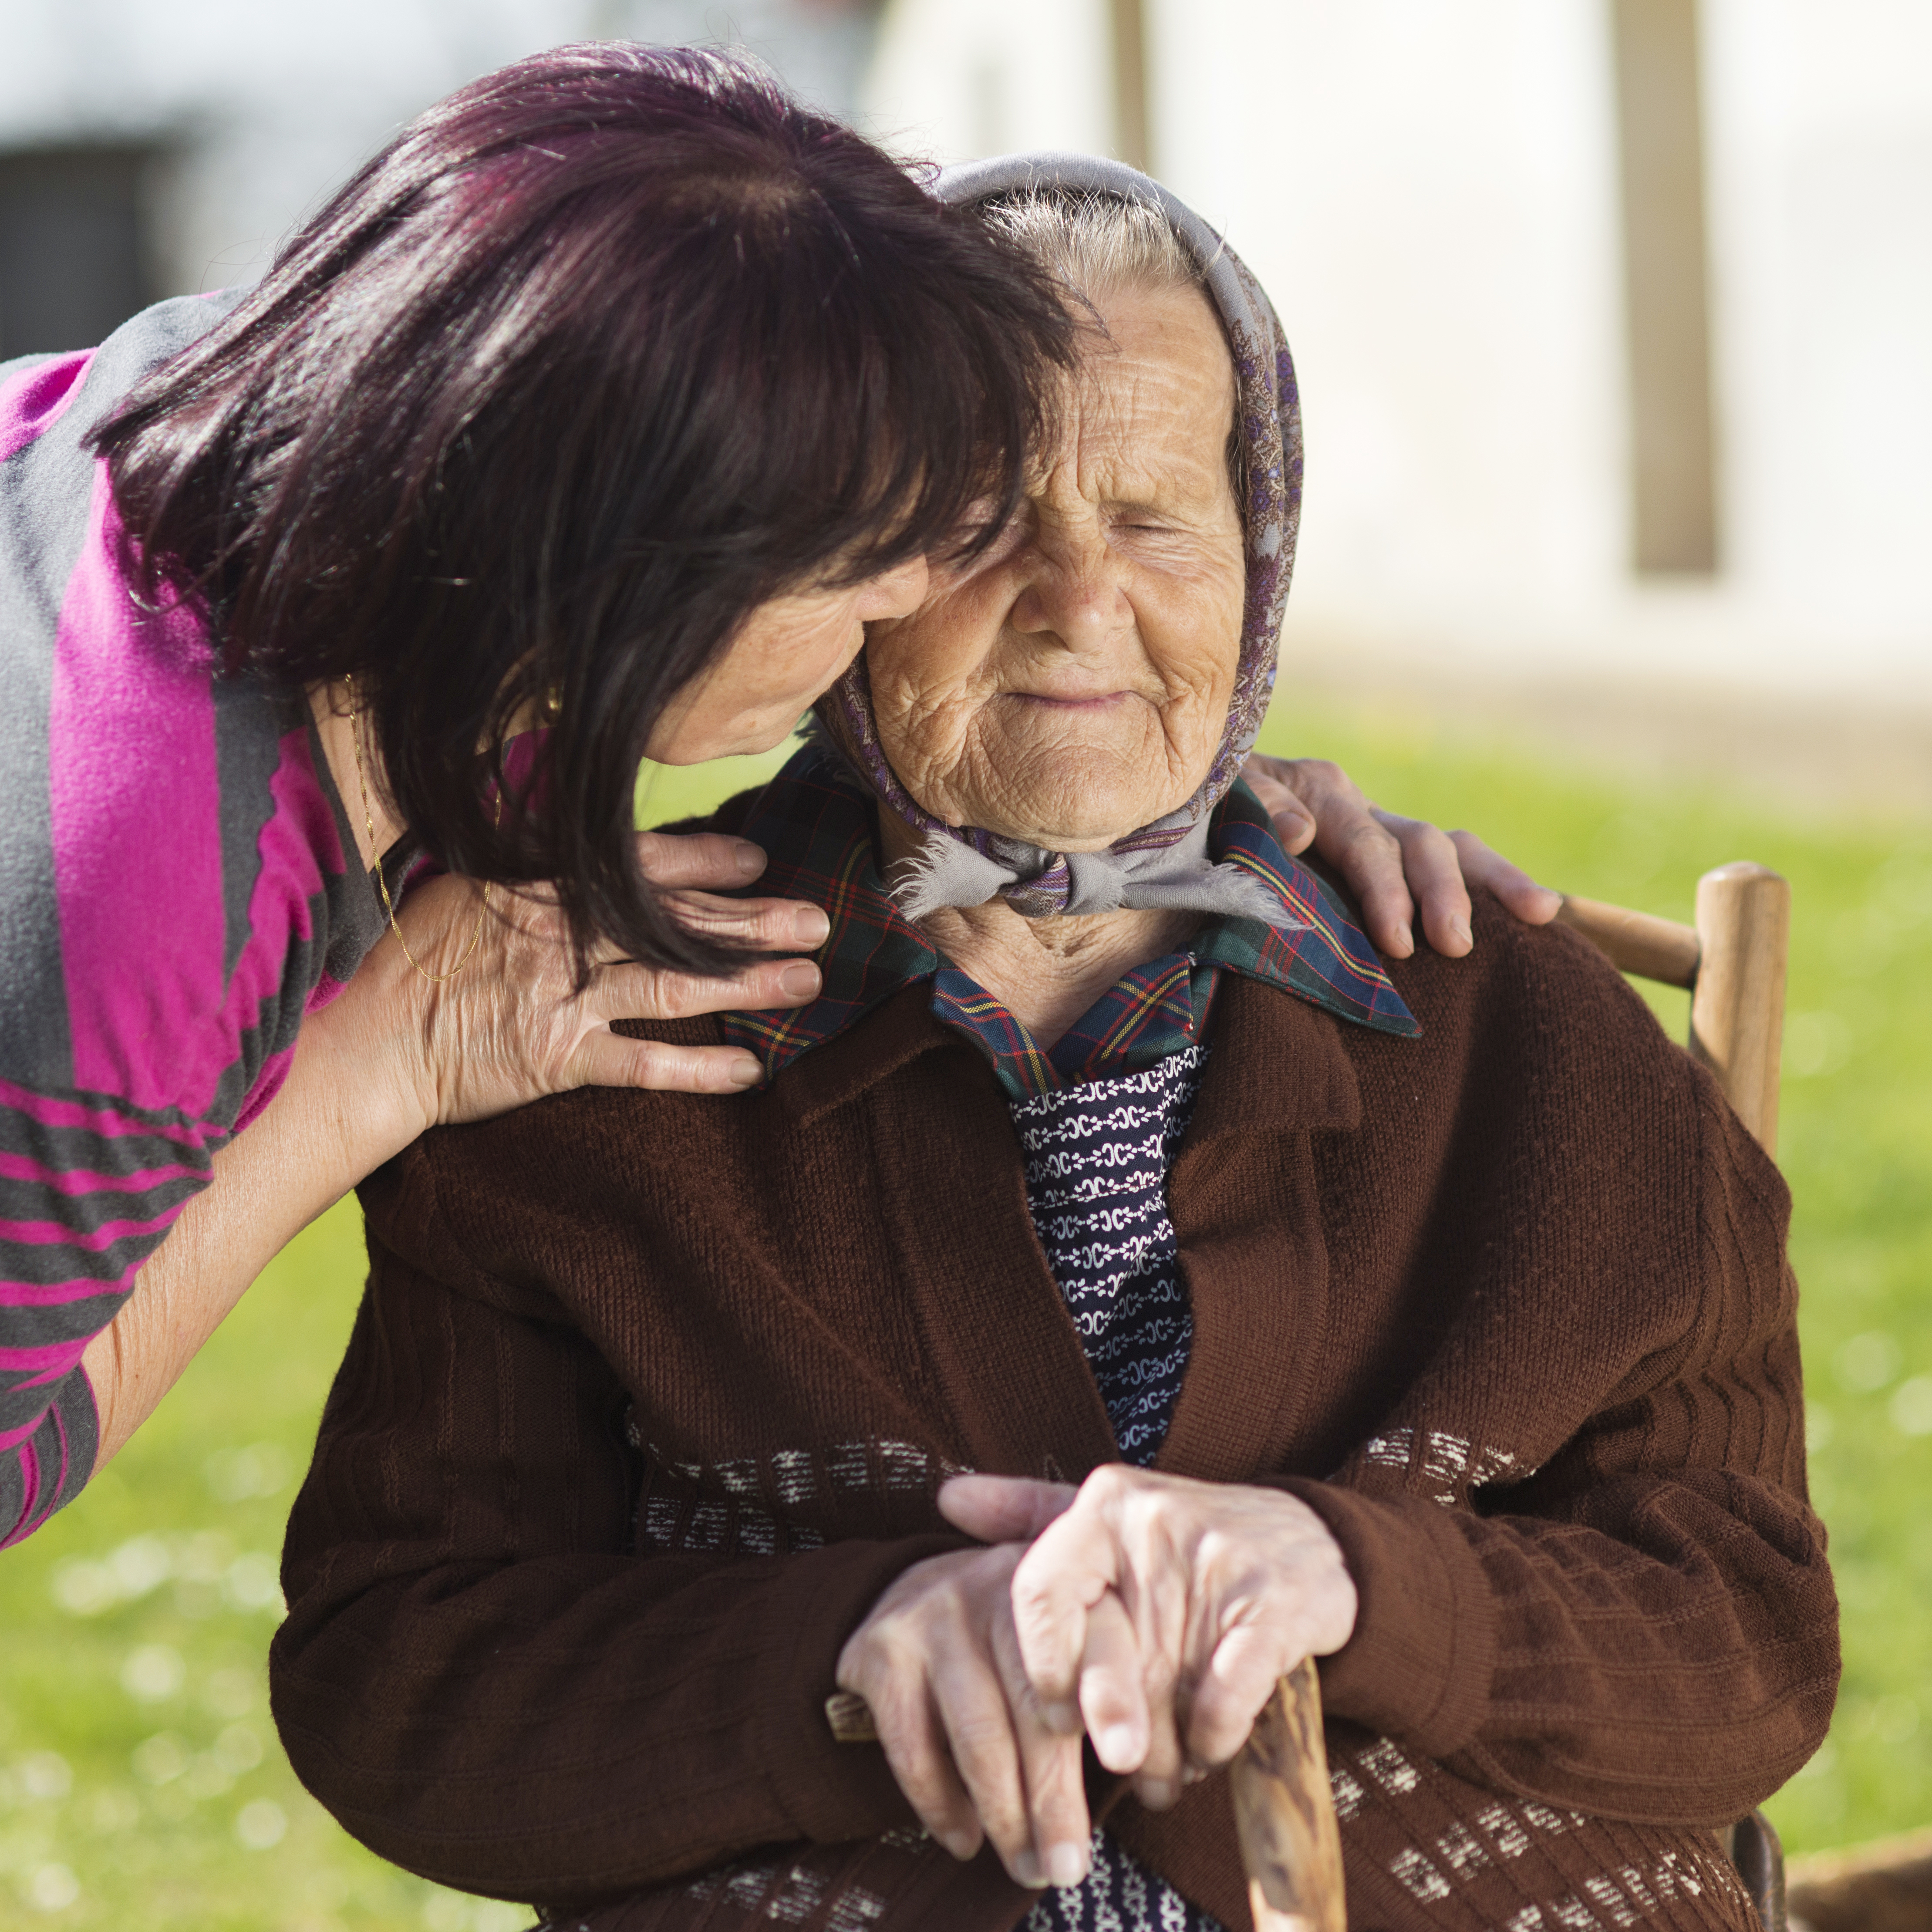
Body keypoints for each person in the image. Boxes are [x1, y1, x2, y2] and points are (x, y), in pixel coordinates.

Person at [269, 161, 1836, 1932]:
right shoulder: (581, 1039)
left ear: (1259, 547)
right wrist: (841, 1655)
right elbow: (402, 1682)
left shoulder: (1516, 1032)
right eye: (983, 518)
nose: (1082, 600)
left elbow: (1748, 1649)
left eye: (1160, 517)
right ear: (834, 562)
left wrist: (1354, 1576)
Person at [0, 47, 1552, 1548]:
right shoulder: (137, 900)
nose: (909, 602)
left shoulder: (303, 422)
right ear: (623, 579)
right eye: (875, 556)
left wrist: (1167, 794)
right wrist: (378, 1064)